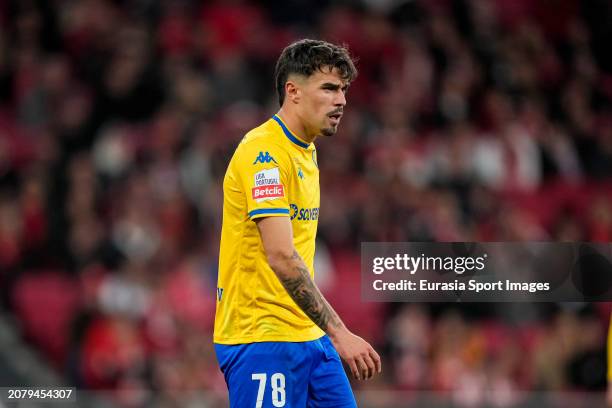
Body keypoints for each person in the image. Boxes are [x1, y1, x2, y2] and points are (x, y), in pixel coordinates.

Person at [213, 39, 382, 407]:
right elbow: (281, 255)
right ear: (293, 92)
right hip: (260, 337)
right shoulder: (265, 153)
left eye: (344, 90)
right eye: (329, 88)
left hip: (306, 334)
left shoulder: (305, 150)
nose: (342, 101)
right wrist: (340, 334)